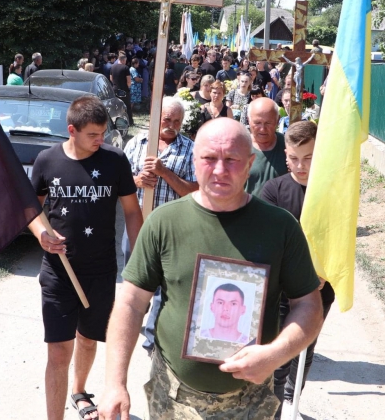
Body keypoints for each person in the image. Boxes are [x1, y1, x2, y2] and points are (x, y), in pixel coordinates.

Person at [98, 118, 323, 420]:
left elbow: (308, 305)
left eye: (231, 159)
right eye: (209, 158)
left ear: (250, 164)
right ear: (194, 160)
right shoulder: (164, 222)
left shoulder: (281, 227)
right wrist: (115, 383)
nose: (219, 170)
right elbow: (131, 302)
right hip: (172, 397)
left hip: (251, 402)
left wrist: (275, 354)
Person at [29, 96, 144, 420]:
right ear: (72, 130)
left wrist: (139, 258)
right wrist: (41, 234)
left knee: (89, 339)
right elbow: (31, 208)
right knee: (58, 352)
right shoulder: (47, 161)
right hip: (58, 272)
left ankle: (79, 392)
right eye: (94, 134)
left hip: (101, 271)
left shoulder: (115, 161)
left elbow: (132, 212)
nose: (101, 140)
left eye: (104, 133)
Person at [260, 121, 335, 411]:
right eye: (293, 158)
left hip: (319, 289)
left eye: (308, 158)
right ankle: (274, 407)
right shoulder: (274, 191)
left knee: (306, 348)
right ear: (285, 154)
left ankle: (292, 402)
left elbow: (339, 238)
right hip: (282, 291)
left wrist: (324, 273)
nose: (300, 166)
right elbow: (267, 242)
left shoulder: (332, 193)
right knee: (279, 351)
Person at [123, 97, 199, 352]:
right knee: (134, 281)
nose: (172, 125)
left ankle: (152, 340)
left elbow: (195, 191)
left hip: (173, 230)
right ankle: (129, 326)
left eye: (177, 121)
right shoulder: (137, 143)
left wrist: (164, 172)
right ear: (157, 119)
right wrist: (136, 180)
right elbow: (119, 182)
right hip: (137, 225)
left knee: (164, 286)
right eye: (167, 119)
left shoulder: (190, 149)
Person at [244, 97, 287, 197]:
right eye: (257, 123)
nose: (262, 129)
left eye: (268, 123)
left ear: (278, 120)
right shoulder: (239, 147)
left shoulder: (288, 146)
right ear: (248, 120)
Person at [111, 53, 134, 127]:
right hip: (124, 90)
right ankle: (130, 122)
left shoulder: (113, 67)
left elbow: (111, 78)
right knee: (127, 106)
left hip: (115, 89)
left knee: (116, 106)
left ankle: (115, 122)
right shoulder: (125, 68)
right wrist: (128, 87)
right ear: (123, 60)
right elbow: (129, 81)